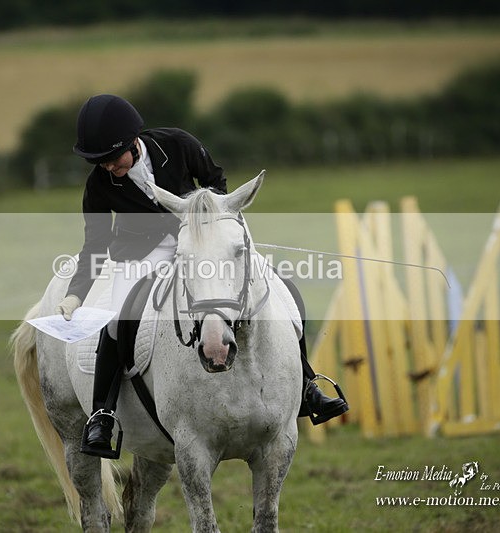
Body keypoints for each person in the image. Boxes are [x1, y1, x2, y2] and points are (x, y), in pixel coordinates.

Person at [58, 94, 346, 459]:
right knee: (118, 319)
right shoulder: (99, 184)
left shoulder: (178, 144)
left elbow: (215, 182)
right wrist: (76, 293)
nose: (109, 166)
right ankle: (103, 413)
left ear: (133, 142)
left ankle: (306, 385)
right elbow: (95, 243)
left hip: (200, 239)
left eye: (114, 158)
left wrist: (212, 229)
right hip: (140, 255)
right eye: (100, 162)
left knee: (279, 286)